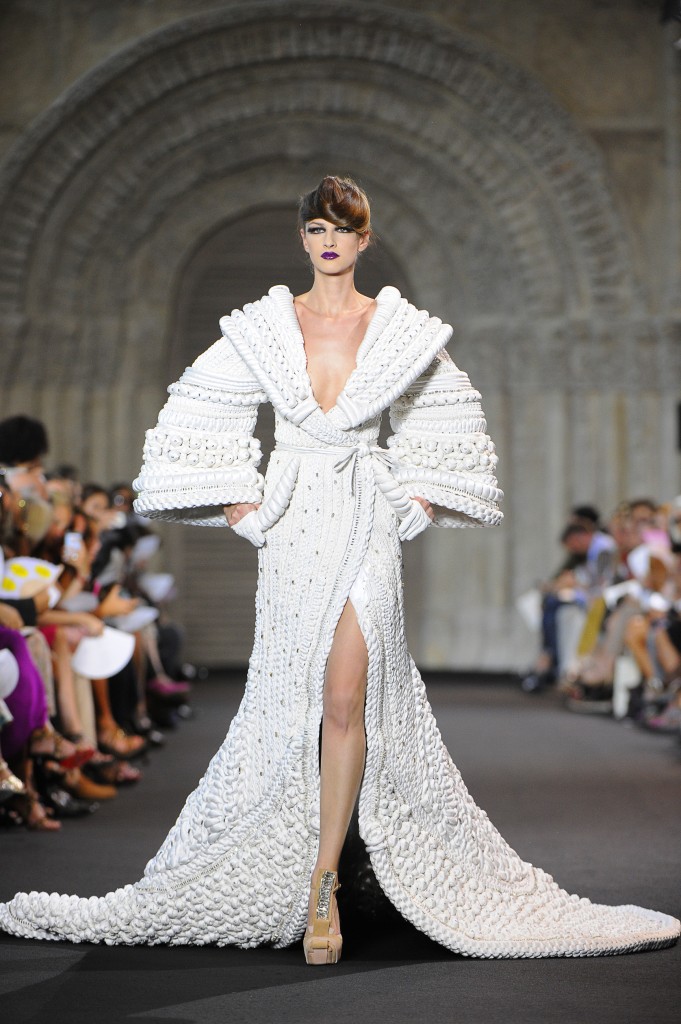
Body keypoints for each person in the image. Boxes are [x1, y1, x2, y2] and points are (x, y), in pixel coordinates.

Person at [1, 176, 678, 960]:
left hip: (366, 524)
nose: (328, 241)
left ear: (363, 240)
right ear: (303, 239)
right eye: (316, 228)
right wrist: (243, 510)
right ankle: (323, 864)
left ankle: (323, 884)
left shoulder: (397, 330)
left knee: (344, 696)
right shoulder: (264, 327)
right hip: (292, 532)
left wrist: (414, 503)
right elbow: (194, 412)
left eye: (342, 229)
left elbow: (450, 421)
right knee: (298, 699)